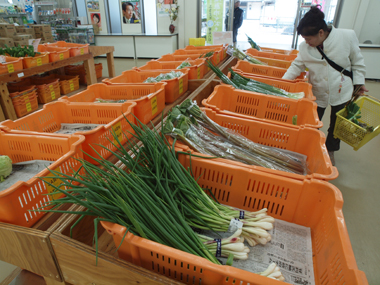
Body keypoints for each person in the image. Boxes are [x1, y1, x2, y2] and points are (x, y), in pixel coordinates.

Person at [282, 6, 367, 166]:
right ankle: (308, 147)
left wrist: (359, 83)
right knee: (312, 121)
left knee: (337, 124)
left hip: (342, 88)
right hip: (317, 90)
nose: (306, 42)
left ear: (321, 32)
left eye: (308, 39)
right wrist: (282, 83)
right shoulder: (304, 47)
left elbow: (357, 61)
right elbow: (297, 65)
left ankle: (330, 150)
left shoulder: (346, 36)